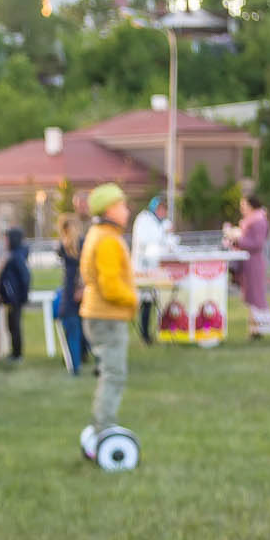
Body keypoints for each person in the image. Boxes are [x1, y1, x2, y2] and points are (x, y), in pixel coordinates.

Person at [78, 184, 138, 462]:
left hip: (97, 312)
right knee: (114, 374)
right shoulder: (108, 240)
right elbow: (111, 286)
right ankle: (105, 426)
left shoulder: (99, 234)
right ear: (110, 209)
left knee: (108, 372)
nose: (127, 210)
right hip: (108, 315)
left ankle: (102, 425)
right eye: (123, 205)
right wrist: (133, 298)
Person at [227, 186, 270, 339]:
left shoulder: (259, 220)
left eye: (244, 206)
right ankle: (254, 328)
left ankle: (259, 329)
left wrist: (237, 238)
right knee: (251, 296)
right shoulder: (253, 219)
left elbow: (257, 243)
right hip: (248, 262)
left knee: (256, 296)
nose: (242, 209)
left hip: (254, 262)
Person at [131, 194, 172, 341]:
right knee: (145, 300)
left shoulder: (158, 222)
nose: (163, 212)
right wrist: (163, 232)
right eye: (161, 209)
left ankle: (151, 332)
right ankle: (145, 334)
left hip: (154, 267)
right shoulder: (144, 220)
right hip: (143, 266)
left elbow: (164, 242)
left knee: (151, 299)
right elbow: (147, 241)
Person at [52, 214, 89, 376]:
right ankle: (85, 359)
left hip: (71, 292)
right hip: (82, 291)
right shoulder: (82, 245)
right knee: (84, 329)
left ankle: (75, 366)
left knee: (72, 329)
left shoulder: (65, 248)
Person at [0, 225, 29, 360]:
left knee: (14, 325)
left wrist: (20, 295)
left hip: (15, 298)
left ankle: (17, 353)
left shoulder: (16, 256)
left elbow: (25, 277)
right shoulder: (12, 255)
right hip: (10, 297)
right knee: (10, 325)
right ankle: (14, 352)